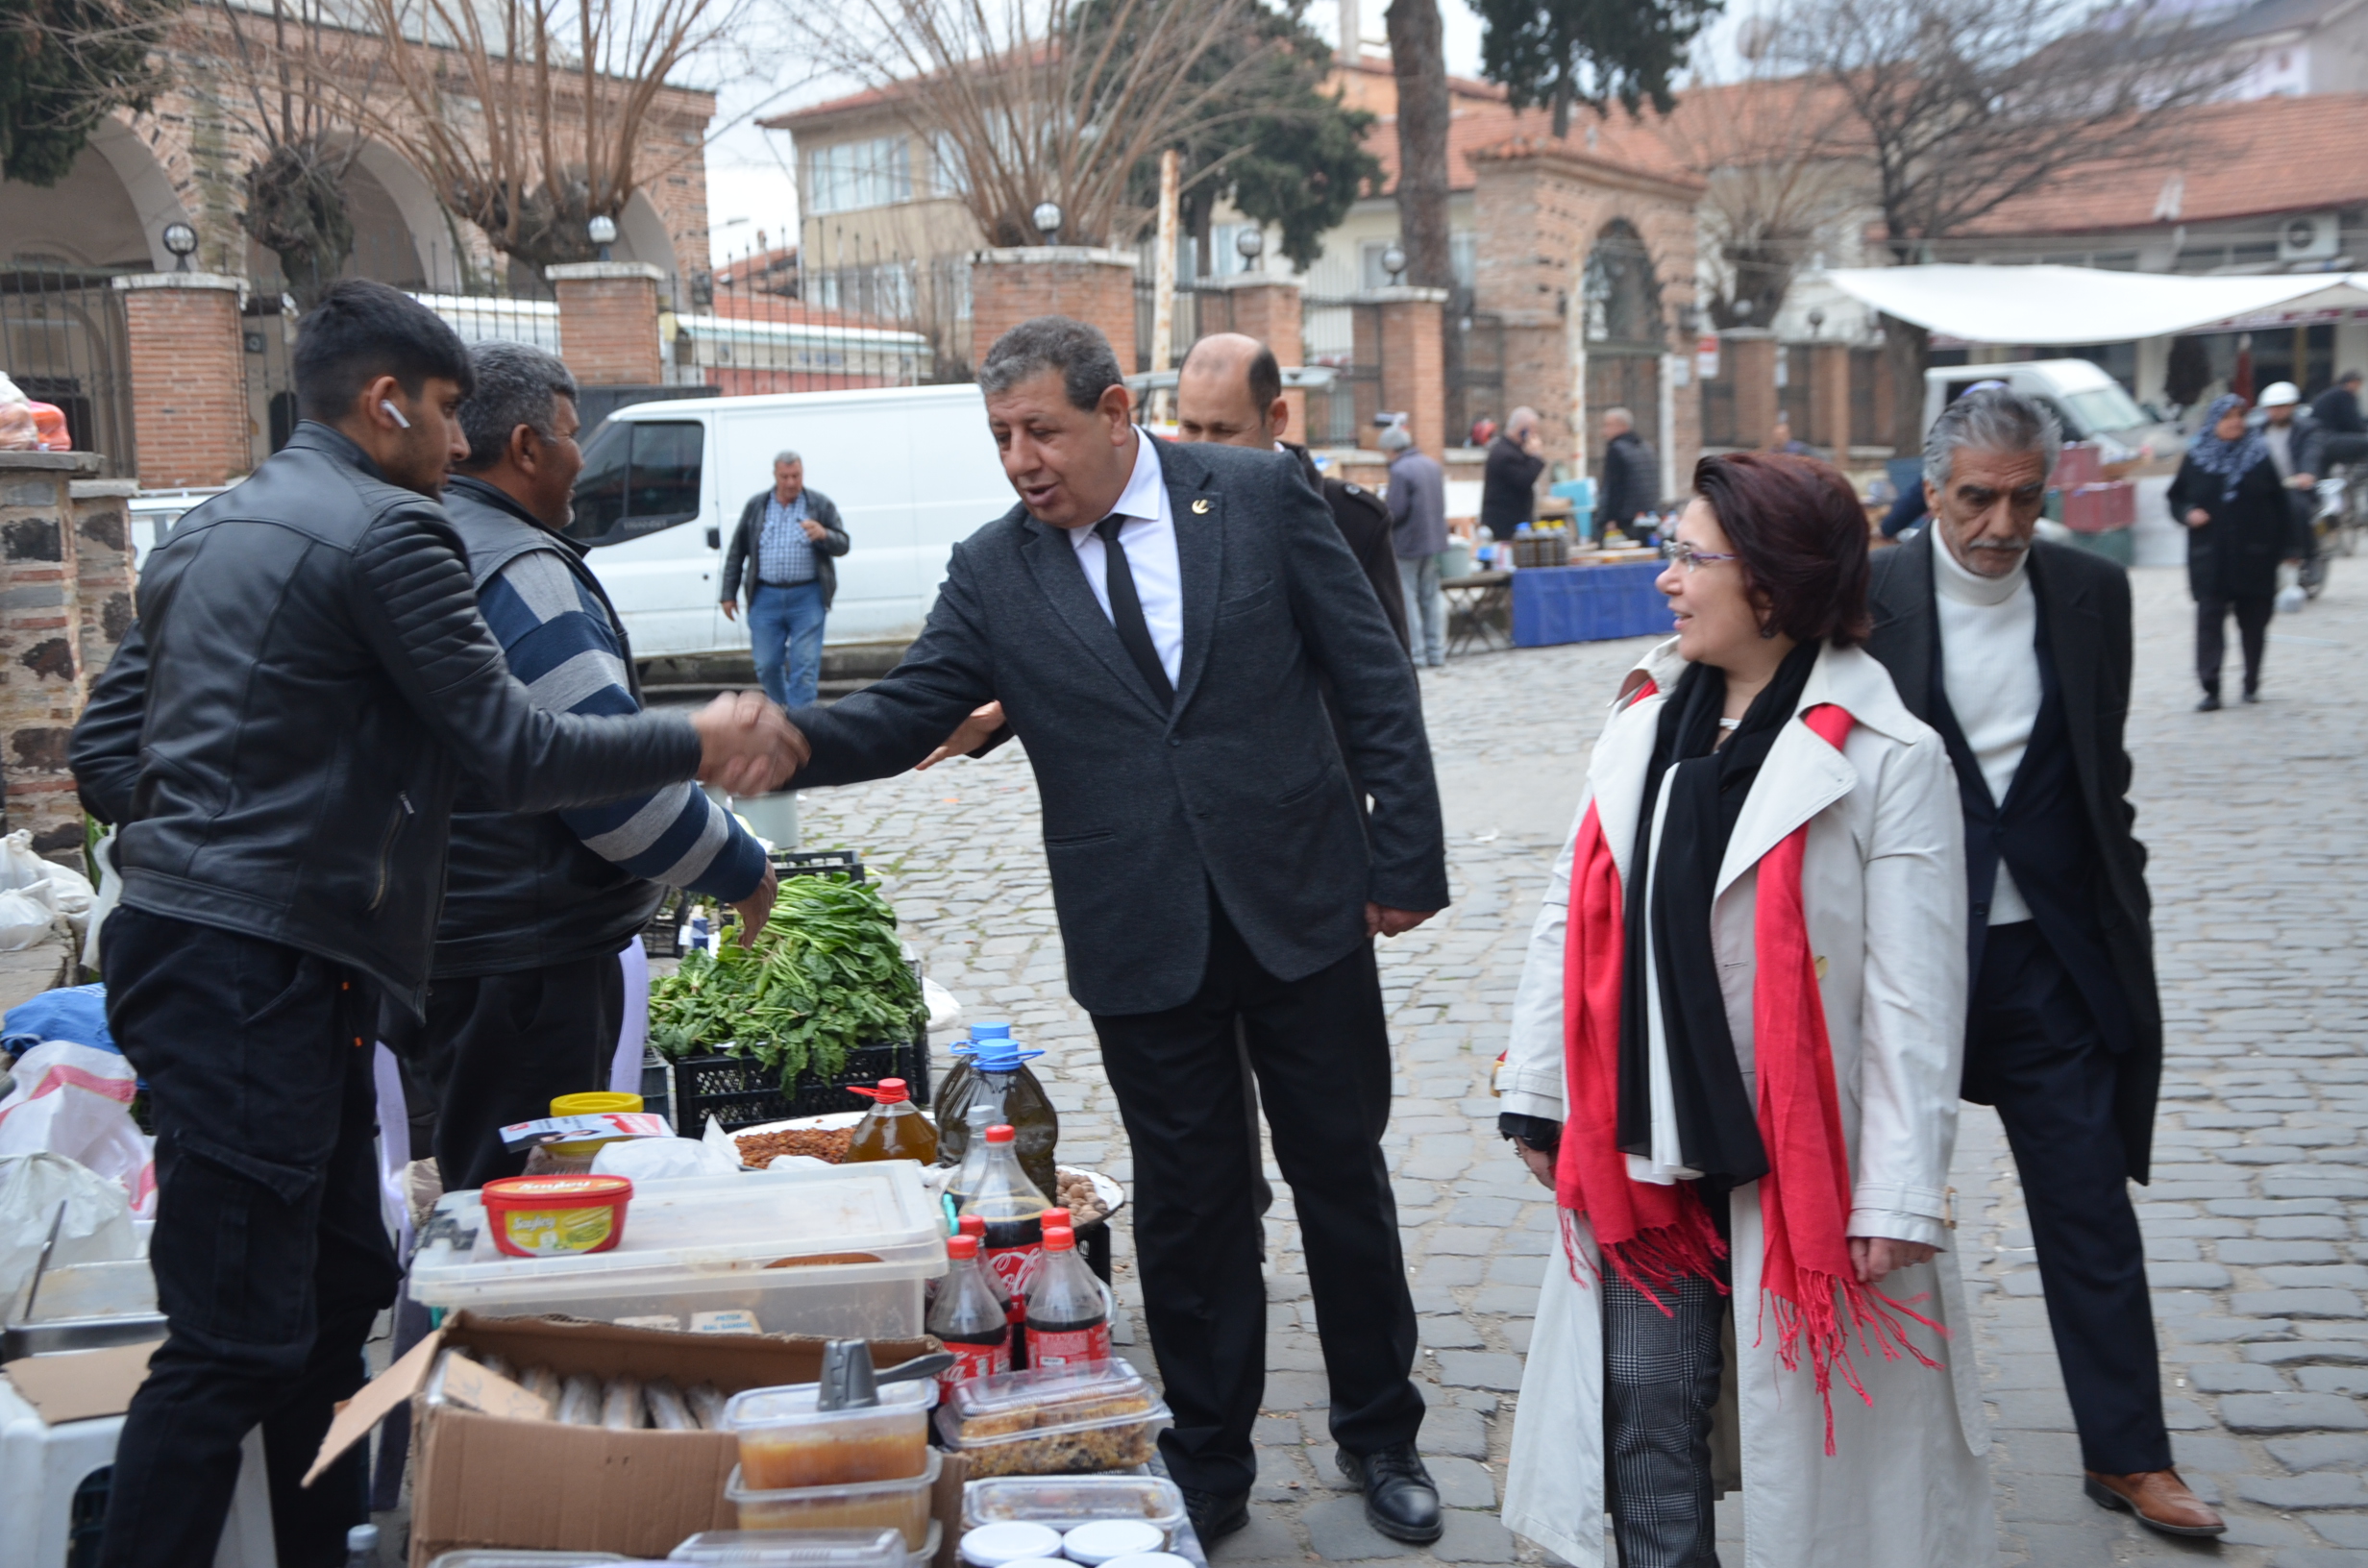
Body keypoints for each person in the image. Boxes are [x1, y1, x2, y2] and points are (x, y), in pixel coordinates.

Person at [65, 281, 801, 1568]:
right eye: (448, 411)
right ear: (385, 402)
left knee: (338, 1288)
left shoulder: (212, 526)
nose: (460, 445)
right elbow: (518, 751)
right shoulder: (392, 530)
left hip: (228, 955)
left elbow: (106, 758)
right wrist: (694, 735)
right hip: (253, 967)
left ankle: (325, 1544)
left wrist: (252, 812)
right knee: (233, 1336)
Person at [783, 317, 1450, 1549]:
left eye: (1040, 431)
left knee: (1339, 1177)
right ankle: (1210, 1459)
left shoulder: (1256, 497)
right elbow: (910, 708)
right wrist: (778, 741)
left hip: (1301, 901)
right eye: (1000, 438)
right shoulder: (995, 569)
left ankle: (1380, 1430)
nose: (1020, 461)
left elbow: (1370, 678)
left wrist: (1404, 857)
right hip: (1138, 925)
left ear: (1113, 411)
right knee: (1190, 1207)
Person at [1495, 451, 1988, 1568]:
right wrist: (1537, 1090)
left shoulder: (1890, 756)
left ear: (1769, 584)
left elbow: (1914, 998)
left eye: (1690, 556)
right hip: (1643, 1139)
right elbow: (1570, 912)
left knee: (1806, 1449)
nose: (1665, 578)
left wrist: (1899, 1188)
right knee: (1643, 1406)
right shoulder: (1642, 720)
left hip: (1806, 1158)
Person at [1864, 384, 2220, 1540]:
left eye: (2025, 499)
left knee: (2087, 1209)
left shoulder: (2089, 592)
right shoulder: (1866, 596)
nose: (2002, 524)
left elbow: (2099, 770)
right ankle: (1846, 1461)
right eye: (1978, 497)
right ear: (1932, 491)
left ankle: (2130, 1454)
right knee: (1864, 1210)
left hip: (2048, 964)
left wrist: (2120, 906)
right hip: (1901, 964)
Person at [398, 340, 779, 1191]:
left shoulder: (425, 542)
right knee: (534, 1200)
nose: (583, 460)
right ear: (527, 447)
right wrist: (739, 865)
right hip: (520, 955)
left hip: (445, 939)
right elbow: (610, 788)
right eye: (572, 435)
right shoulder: (522, 571)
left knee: (480, 1184)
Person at [1172, 332, 1409, 650]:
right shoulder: (1162, 513)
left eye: (1224, 430)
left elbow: (1385, 665)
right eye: (1190, 428)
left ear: (1276, 417)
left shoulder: (1352, 521)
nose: (1204, 449)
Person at [2170, 393, 2306, 710]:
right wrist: (2187, 513)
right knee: (2209, 622)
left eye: (2240, 416)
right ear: (2213, 422)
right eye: (2228, 417)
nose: (2235, 423)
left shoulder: (2258, 456)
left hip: (2255, 555)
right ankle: (2211, 687)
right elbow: (2176, 498)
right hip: (2210, 556)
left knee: (2254, 623)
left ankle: (2251, 682)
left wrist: (2290, 547)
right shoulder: (2196, 458)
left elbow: (2281, 505)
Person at [721, 450, 851, 708]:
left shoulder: (819, 504)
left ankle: (800, 720)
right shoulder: (757, 506)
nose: (791, 482)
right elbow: (737, 551)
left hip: (808, 595)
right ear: (775, 475)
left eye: (796, 476)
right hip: (765, 595)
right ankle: (781, 711)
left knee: (805, 664)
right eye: (785, 476)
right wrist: (728, 593)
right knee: (766, 664)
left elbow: (843, 544)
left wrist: (824, 534)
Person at [1382, 425, 1449, 667]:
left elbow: (1395, 511)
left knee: (1408, 599)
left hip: (1408, 544)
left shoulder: (1400, 470)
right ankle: (1437, 651)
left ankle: (1417, 654)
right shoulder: (1432, 465)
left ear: (1391, 449)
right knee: (1431, 597)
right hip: (1433, 542)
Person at [1481, 405, 1546, 541]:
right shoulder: (1505, 454)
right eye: (1533, 431)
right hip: (1505, 526)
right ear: (1523, 430)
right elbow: (1524, 480)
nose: (1535, 436)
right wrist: (1535, 457)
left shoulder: (1513, 450)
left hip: (1515, 523)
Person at [1595, 406, 1658, 543]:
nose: (1604, 431)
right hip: (1648, 516)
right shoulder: (1646, 447)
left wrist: (1609, 518)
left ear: (1621, 426)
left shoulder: (1617, 449)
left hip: (1624, 520)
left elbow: (1614, 487)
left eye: (1607, 425)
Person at [2310, 368, 2365, 436]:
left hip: (2322, 431)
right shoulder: (2344, 395)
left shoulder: (2335, 393)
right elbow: (2350, 420)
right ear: (2351, 382)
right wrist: (2363, 431)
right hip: (2328, 433)